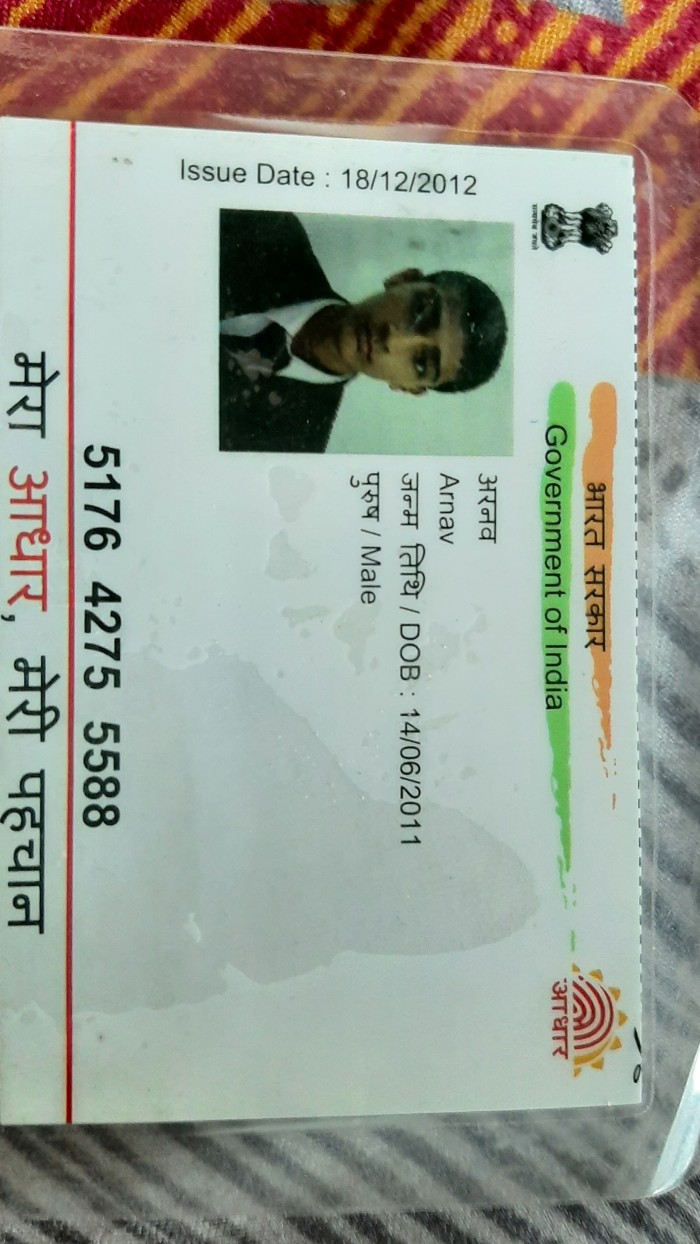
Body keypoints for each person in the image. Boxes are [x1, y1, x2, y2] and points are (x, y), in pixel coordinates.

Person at [219, 209, 508, 454]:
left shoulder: (292, 447)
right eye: (419, 312)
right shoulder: (270, 230)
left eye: (420, 362)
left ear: (408, 387)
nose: (393, 339)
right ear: (402, 279)